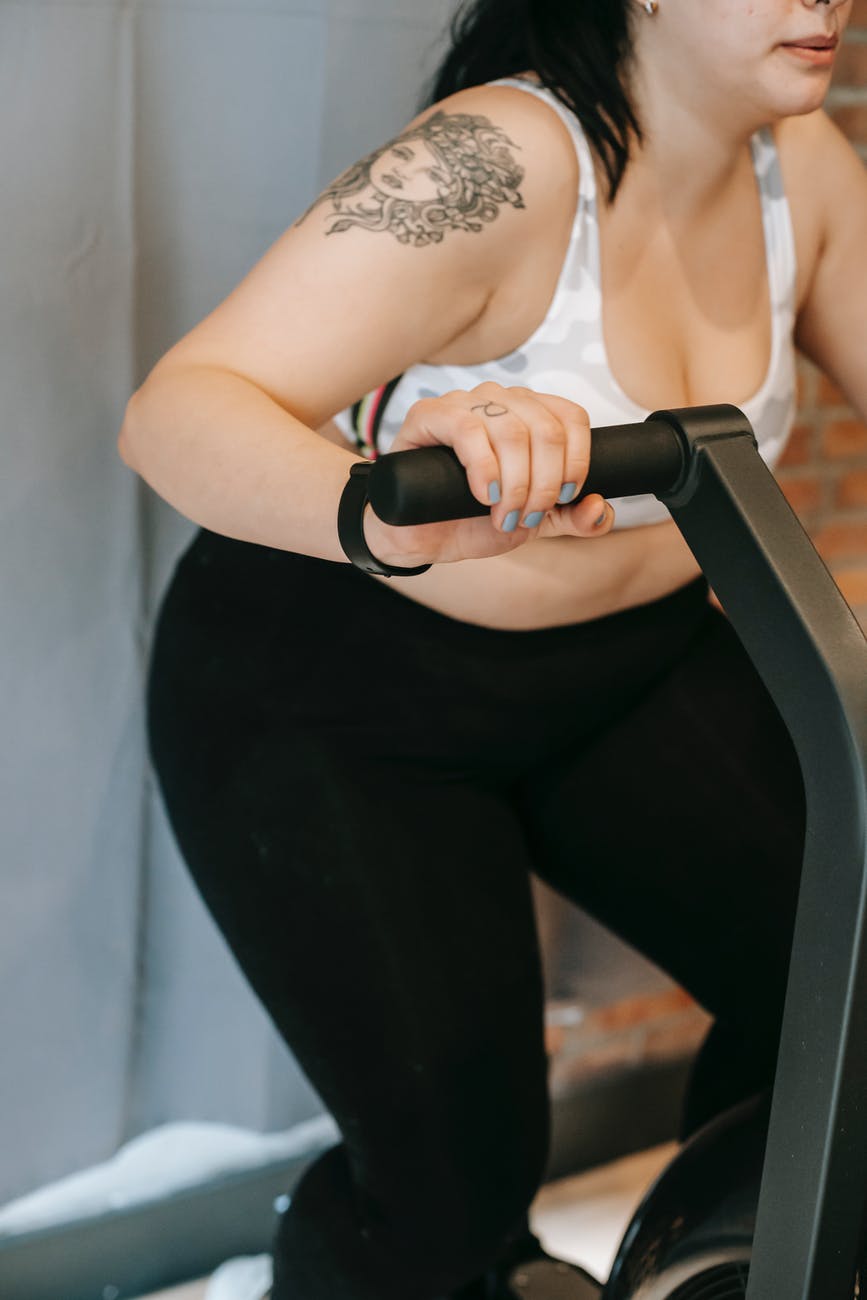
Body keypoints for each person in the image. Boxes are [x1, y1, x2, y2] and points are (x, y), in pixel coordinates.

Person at [118, 0, 866, 1296]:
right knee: (453, 1187)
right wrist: (384, 509)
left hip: (621, 666)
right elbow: (177, 410)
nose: (829, 0)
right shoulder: (502, 165)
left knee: (845, 974)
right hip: (330, 693)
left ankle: (734, 1262)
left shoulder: (798, 169)